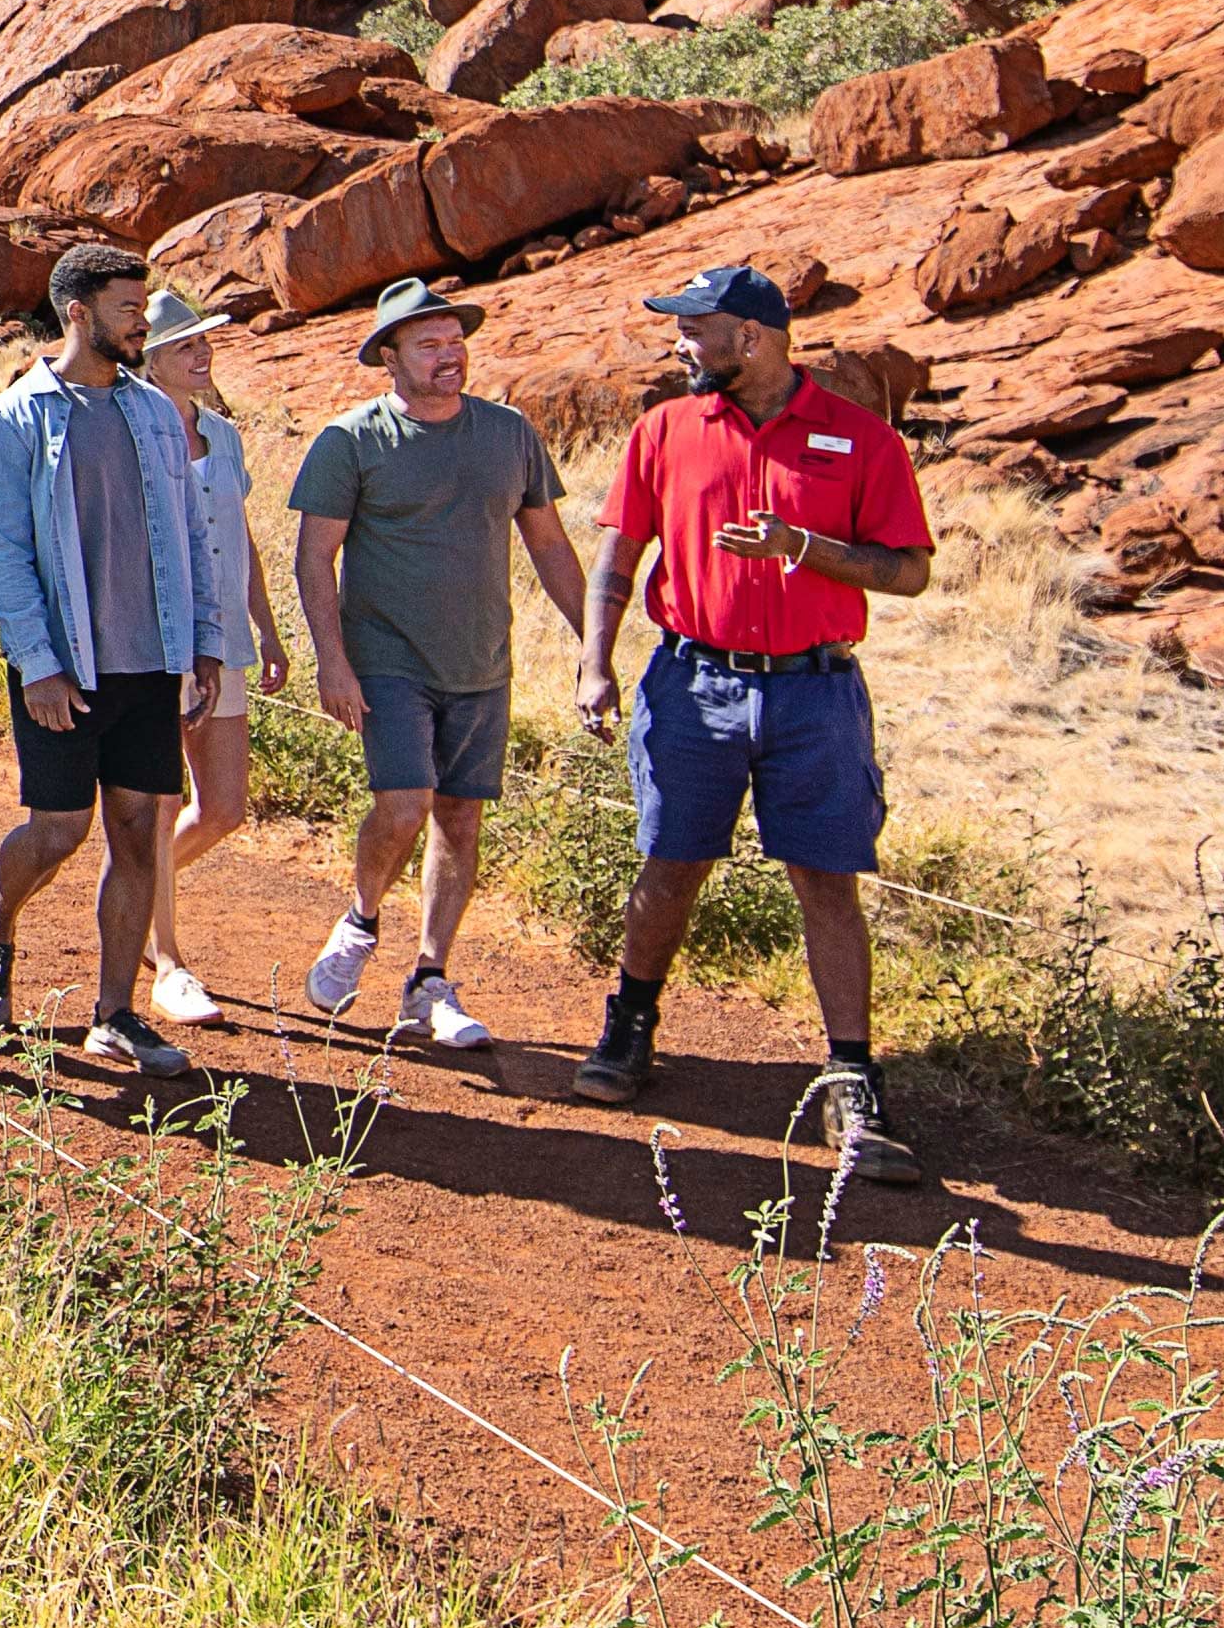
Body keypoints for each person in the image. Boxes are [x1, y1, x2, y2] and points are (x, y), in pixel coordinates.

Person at [565, 258, 938, 1181]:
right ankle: (630, 1024)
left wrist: (803, 549)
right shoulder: (665, 430)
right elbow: (621, 544)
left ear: (753, 338)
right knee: (672, 860)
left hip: (816, 694)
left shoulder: (859, 439)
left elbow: (910, 570)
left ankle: (851, 1079)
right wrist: (594, 658)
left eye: (696, 329)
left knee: (827, 878)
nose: (680, 342)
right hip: (692, 683)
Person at [281, 277, 587, 1059]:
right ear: (390, 356)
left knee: (460, 817)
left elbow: (549, 545)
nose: (450, 357)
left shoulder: (508, 433)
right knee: (405, 805)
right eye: (429, 344)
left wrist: (595, 644)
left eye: (456, 341)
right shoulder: (350, 441)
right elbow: (315, 558)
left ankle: (429, 981)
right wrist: (333, 664)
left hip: (483, 662)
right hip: (388, 661)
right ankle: (359, 919)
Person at [0, 239, 245, 1086]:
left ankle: (115, 1014)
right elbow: (5, 552)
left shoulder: (156, 413)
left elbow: (193, 536)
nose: (143, 321)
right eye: (129, 309)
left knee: (137, 830)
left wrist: (201, 644)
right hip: (64, 666)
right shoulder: (15, 417)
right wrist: (37, 665)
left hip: (150, 662)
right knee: (58, 831)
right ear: (78, 313)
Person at [131, 286, 297, 1025]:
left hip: (225, 638)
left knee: (224, 806)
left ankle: (137, 892)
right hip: (160, 643)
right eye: (186, 346)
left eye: (204, 343)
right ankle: (168, 960)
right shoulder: (131, 430)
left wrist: (266, 627)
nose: (202, 355)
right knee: (164, 800)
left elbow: (242, 535)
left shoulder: (223, 435)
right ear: (151, 360)